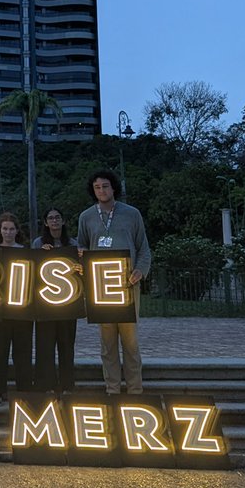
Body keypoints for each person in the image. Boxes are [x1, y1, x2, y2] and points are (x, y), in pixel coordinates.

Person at [76, 169, 151, 395]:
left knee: (130, 342)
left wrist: (140, 270)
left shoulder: (132, 214)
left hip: (127, 285)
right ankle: (113, 389)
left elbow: (143, 248)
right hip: (101, 287)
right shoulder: (86, 216)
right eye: (97, 187)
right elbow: (82, 247)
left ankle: (135, 390)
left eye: (105, 186)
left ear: (114, 188)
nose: (102, 190)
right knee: (107, 343)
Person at [0, 212, 33, 405]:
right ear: (0, 230)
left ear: (17, 231)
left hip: (23, 310)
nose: (8, 232)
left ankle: (24, 391)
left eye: (11, 229)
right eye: (4, 228)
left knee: (23, 352)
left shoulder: (27, 251)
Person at [31, 207, 79, 393]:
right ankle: (46, 384)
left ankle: (67, 385)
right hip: (45, 303)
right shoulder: (38, 243)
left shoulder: (73, 244)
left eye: (57, 217)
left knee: (67, 346)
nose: (54, 221)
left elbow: (79, 269)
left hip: (68, 303)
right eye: (50, 218)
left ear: (63, 220)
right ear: (45, 222)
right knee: (45, 347)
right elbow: (31, 269)